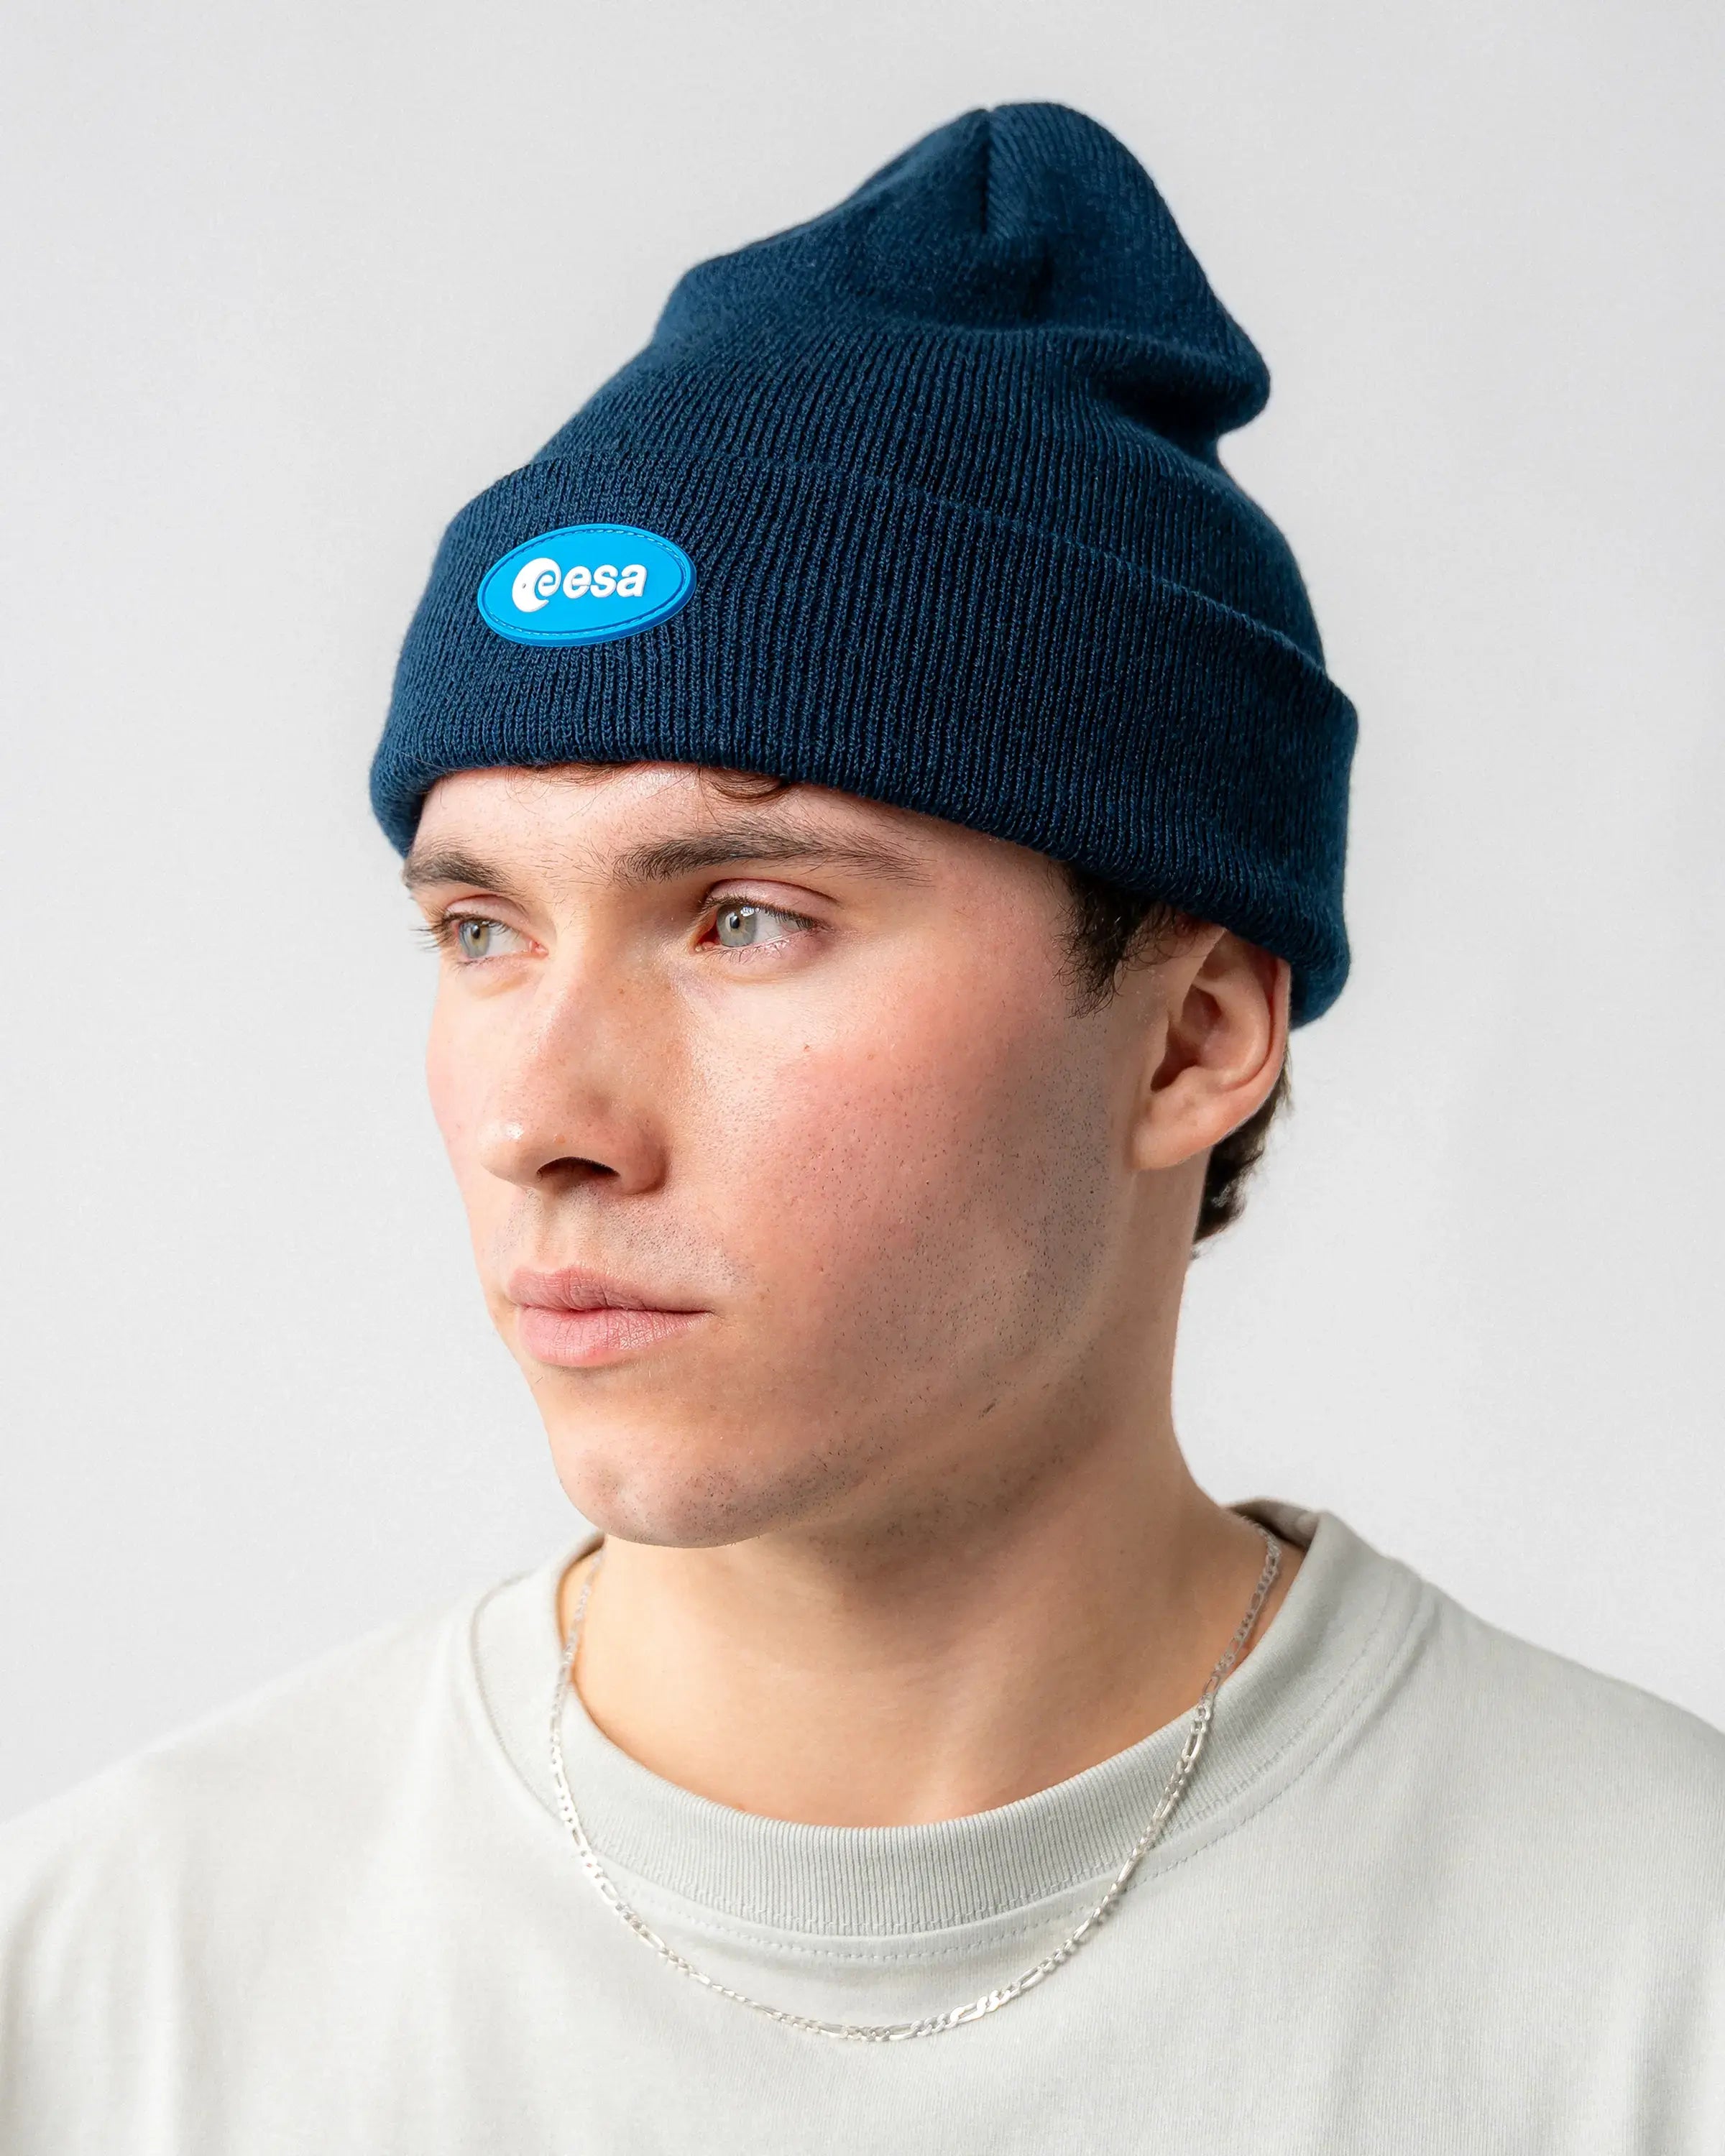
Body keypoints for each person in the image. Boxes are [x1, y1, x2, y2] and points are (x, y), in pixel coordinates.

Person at [1, 101, 1720, 2155]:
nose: (541, 1119)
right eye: (480, 929)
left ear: (1191, 1039)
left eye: (746, 917)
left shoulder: (1654, 1976)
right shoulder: (101, 1990)